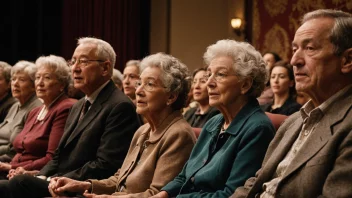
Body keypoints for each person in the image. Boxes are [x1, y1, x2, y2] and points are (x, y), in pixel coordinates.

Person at [232, 9, 352, 198]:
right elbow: (256, 182)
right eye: (295, 49)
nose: (294, 60)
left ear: (347, 60)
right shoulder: (293, 121)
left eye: (310, 48)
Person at [0, 37, 141, 198]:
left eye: (83, 62)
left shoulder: (119, 106)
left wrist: (54, 179)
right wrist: (40, 175)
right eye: (73, 61)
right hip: (59, 180)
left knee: (19, 183)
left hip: (82, 186)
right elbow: (58, 155)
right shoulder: (78, 105)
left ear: (105, 67)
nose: (75, 68)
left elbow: (105, 164)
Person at [48, 53, 197, 198]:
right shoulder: (143, 131)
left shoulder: (179, 134)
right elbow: (119, 179)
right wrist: (83, 185)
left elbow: (158, 194)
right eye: (139, 84)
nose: (138, 91)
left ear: (171, 96)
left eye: (149, 84)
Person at [153, 39, 275, 198]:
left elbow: (232, 194)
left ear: (245, 84)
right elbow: (184, 176)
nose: (209, 83)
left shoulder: (257, 129)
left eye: (221, 75)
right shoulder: (214, 122)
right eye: (209, 74)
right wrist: (162, 195)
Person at [0, 55, 76, 179]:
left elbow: (51, 158)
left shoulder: (65, 108)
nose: (40, 83)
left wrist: (13, 168)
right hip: (13, 170)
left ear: (62, 84)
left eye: (47, 78)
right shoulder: (35, 111)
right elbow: (20, 150)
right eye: (37, 77)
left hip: (34, 175)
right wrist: (8, 166)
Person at [0, 61, 42, 162]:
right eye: (13, 79)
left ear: (34, 85)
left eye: (22, 80)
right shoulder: (15, 106)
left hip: (10, 162)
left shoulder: (36, 108)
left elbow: (17, 148)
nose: (15, 83)